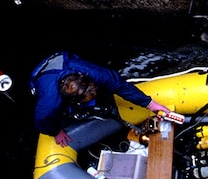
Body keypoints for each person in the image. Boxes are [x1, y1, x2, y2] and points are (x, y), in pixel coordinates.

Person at [30, 52, 170, 147]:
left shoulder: (96, 74)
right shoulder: (50, 102)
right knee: (66, 118)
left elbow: (120, 86)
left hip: (63, 60)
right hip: (41, 75)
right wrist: (55, 131)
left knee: (106, 90)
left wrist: (149, 104)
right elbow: (41, 122)